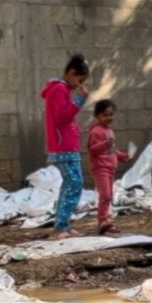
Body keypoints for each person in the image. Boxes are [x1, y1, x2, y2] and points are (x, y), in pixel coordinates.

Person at [41, 54, 89, 240]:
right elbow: (62, 118)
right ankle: (59, 227)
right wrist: (79, 100)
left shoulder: (60, 90)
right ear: (70, 73)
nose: (80, 84)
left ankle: (62, 225)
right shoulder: (60, 90)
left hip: (65, 147)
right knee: (74, 184)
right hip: (64, 149)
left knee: (70, 185)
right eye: (80, 79)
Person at [88, 99, 132, 236]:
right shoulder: (96, 131)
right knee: (105, 195)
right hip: (100, 168)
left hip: (109, 168)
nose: (109, 118)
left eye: (111, 114)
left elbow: (111, 150)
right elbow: (92, 149)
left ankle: (107, 222)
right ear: (97, 115)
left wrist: (123, 156)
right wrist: (106, 144)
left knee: (109, 196)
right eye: (105, 115)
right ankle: (102, 221)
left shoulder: (109, 131)